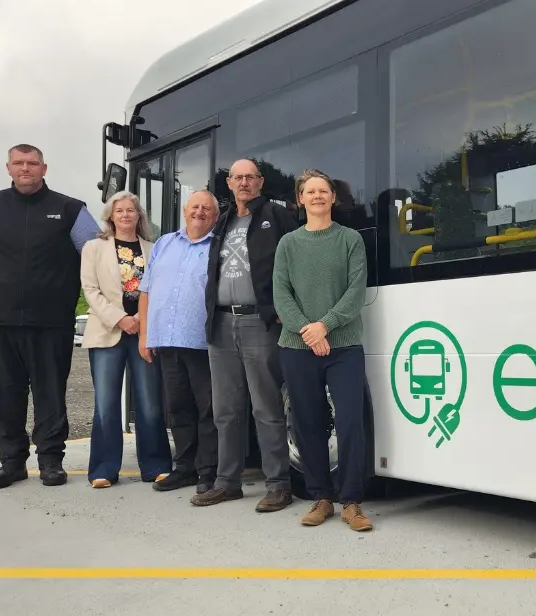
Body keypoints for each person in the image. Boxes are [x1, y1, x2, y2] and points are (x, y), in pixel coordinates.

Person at [0, 143, 101, 489]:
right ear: (8, 168)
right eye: (18, 163)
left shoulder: (70, 209)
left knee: (50, 393)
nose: (25, 168)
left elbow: (92, 254)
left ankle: (50, 461)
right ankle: (12, 463)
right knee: (4, 394)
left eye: (32, 163)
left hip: (51, 320)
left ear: (44, 168)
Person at [192, 158, 298, 510]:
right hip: (221, 325)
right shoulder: (221, 222)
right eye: (237, 178)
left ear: (260, 182)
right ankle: (228, 482)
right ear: (229, 183)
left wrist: (286, 307)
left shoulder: (277, 216)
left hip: (259, 322)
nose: (243, 183)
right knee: (226, 409)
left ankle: (279, 484)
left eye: (250, 177)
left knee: (266, 407)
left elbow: (294, 263)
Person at [272, 168, 372, 532]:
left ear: (333, 197)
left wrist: (324, 326)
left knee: (349, 423)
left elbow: (355, 290)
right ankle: (321, 498)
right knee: (308, 423)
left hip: (343, 346)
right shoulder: (288, 244)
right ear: (300, 199)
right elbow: (281, 294)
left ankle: (352, 502)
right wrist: (307, 331)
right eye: (310, 192)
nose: (317, 196)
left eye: (323, 191)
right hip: (297, 347)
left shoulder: (350, 240)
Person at [79, 191, 173, 488]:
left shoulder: (153, 248)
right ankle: (104, 469)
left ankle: (155, 465)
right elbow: (90, 291)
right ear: (111, 216)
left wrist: (141, 322)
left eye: (131, 210)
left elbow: (159, 290)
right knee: (106, 404)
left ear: (139, 216)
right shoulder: (94, 248)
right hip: (108, 331)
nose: (125, 215)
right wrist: (121, 319)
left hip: (144, 332)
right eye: (119, 211)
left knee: (149, 403)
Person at [139, 190, 220, 495]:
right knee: (178, 408)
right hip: (167, 340)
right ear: (185, 211)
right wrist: (145, 336)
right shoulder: (164, 243)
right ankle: (184, 467)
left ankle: (208, 471)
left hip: (203, 342)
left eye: (207, 209)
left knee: (208, 409)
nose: (200, 212)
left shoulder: (218, 247)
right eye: (195, 206)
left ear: (214, 216)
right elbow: (146, 291)